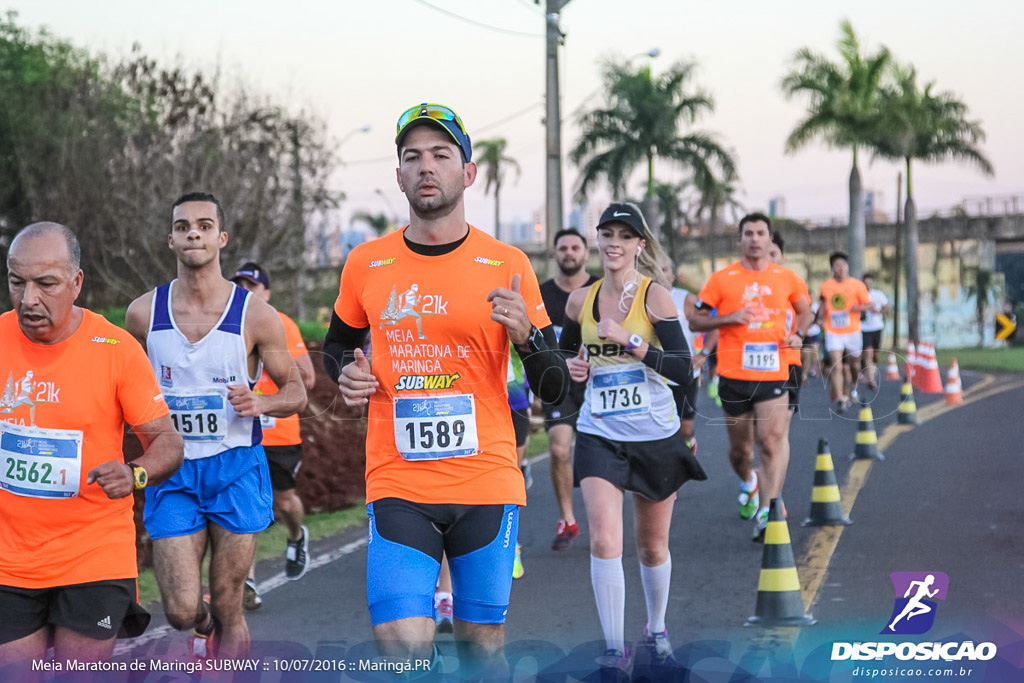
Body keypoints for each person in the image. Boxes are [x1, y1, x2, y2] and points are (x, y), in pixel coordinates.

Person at [324, 102, 569, 679]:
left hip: (484, 477)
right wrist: (346, 373)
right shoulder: (367, 264)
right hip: (398, 478)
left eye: (440, 155)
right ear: (400, 176)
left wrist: (528, 338)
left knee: (483, 649)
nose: (426, 166)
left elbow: (554, 384)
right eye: (413, 157)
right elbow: (337, 345)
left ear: (468, 171)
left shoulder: (506, 264)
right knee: (400, 645)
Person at [125, 193, 308, 660]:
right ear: (170, 240)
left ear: (220, 238)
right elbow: (121, 389)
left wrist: (261, 400)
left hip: (236, 470)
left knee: (229, 603)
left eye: (204, 226)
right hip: (174, 472)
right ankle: (201, 631)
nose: (193, 233)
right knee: (183, 611)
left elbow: (297, 393)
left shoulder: (256, 315)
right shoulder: (143, 314)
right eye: (183, 226)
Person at [0, 223, 183, 675]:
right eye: (16, 281)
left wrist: (135, 473)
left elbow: (167, 441)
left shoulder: (115, 349)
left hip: (92, 553)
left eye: (45, 284)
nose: (28, 299)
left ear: (76, 282)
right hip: (9, 559)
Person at [560, 202, 706, 680]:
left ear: (640, 245)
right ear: (598, 242)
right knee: (604, 540)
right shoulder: (580, 301)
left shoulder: (656, 298)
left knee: (651, 547)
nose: (615, 243)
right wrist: (574, 368)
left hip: (655, 434)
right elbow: (563, 361)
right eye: (607, 234)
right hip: (599, 433)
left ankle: (657, 629)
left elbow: (684, 370)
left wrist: (632, 342)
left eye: (625, 235)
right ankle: (613, 651)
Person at [690, 213, 813, 541]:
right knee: (741, 450)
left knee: (770, 442)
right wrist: (730, 318)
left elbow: (806, 311)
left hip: (774, 371)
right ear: (740, 240)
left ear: (770, 239)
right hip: (733, 374)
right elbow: (695, 321)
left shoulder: (786, 278)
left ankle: (767, 512)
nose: (755, 239)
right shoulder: (721, 279)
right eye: (749, 233)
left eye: (761, 233)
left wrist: (800, 335)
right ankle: (748, 480)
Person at [230, 262, 318, 611]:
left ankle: (297, 534)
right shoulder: (227, 325)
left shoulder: (281, 324)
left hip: (280, 430)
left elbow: (308, 379)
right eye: (240, 284)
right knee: (244, 506)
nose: (246, 290)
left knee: (284, 503)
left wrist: (270, 359)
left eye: (252, 285)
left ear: (266, 292)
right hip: (242, 431)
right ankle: (248, 581)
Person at [538, 228, 598, 551]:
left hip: (601, 383)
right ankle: (567, 519)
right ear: (555, 254)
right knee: (560, 449)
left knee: (600, 455)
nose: (569, 253)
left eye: (576, 247)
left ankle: (607, 514)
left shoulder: (601, 290)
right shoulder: (542, 294)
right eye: (563, 248)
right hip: (559, 383)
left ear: (586, 253)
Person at [659, 254, 719, 456]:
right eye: (654, 269)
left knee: (685, 429)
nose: (659, 274)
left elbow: (714, 325)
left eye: (664, 269)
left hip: (683, 373)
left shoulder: (685, 299)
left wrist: (704, 353)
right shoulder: (636, 299)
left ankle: (687, 447)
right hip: (652, 374)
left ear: (673, 276)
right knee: (657, 430)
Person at [818, 251, 871, 412]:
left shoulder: (857, 285)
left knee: (854, 365)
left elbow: (868, 305)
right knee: (837, 365)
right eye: (837, 266)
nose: (840, 268)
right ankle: (841, 398)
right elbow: (822, 305)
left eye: (843, 265)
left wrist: (857, 308)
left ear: (847, 267)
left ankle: (854, 385)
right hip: (833, 331)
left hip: (852, 331)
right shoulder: (827, 285)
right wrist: (820, 318)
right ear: (832, 269)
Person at [860, 272, 889, 389]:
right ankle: (871, 380)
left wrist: (879, 311)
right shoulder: (859, 295)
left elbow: (886, 307)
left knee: (875, 354)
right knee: (868, 353)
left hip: (877, 327)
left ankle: (870, 367)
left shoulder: (878, 294)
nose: (868, 285)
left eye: (869, 282)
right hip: (864, 328)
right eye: (865, 283)